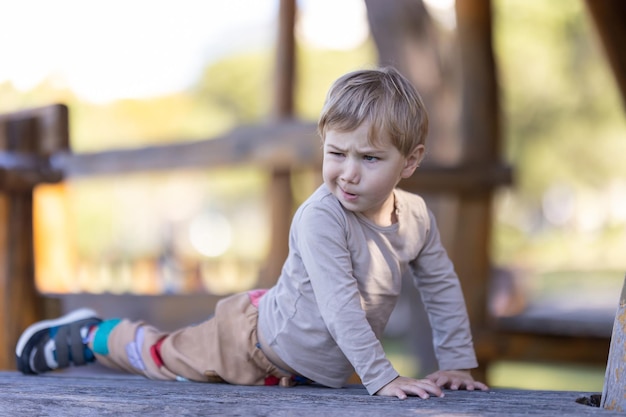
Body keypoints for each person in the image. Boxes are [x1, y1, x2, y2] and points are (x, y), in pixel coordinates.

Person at [16, 66, 488, 400]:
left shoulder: (417, 217)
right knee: (160, 358)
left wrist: (457, 362)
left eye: (369, 158)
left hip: (309, 374)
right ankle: (93, 335)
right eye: (336, 153)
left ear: (410, 160)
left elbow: (441, 285)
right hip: (252, 346)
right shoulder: (321, 217)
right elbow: (341, 306)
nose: (347, 173)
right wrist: (382, 377)